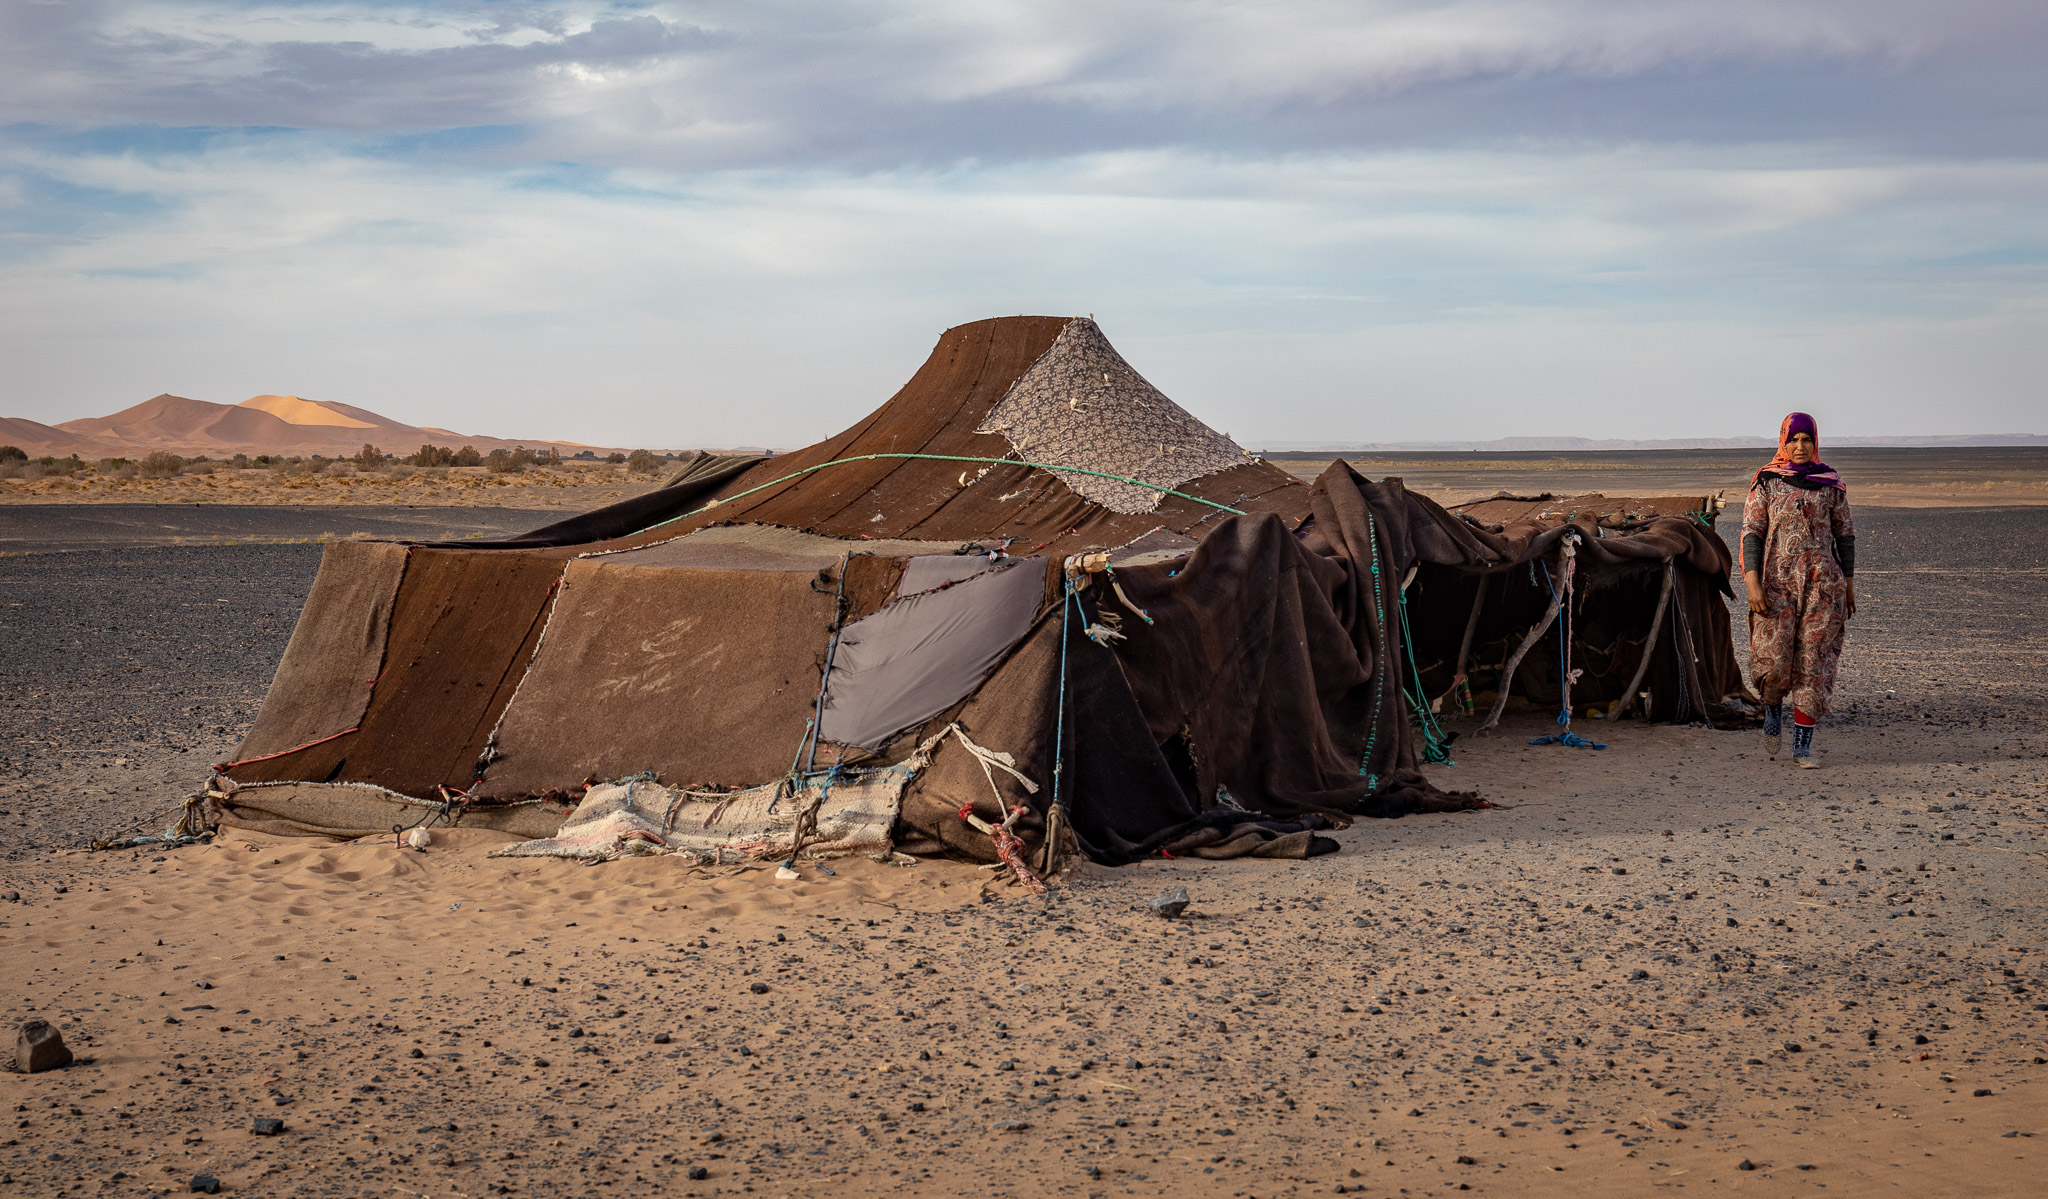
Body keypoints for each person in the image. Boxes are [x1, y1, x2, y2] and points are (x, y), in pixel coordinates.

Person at [1741, 412, 1855, 767]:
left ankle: (1803, 748)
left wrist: (1849, 585)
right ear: (1784, 442)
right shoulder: (1767, 481)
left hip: (1823, 587)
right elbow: (1752, 533)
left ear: (1815, 442)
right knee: (1774, 660)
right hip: (1776, 584)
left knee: (1814, 663)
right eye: (1794, 440)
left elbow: (1845, 536)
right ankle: (1773, 709)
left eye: (1807, 440)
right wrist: (1752, 582)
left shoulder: (1830, 484)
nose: (1800, 446)